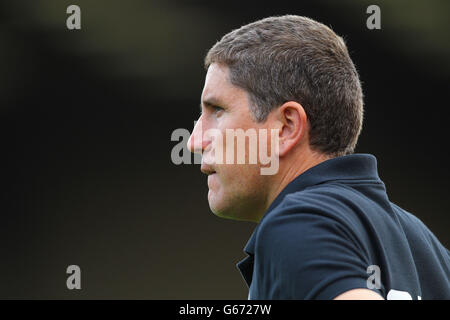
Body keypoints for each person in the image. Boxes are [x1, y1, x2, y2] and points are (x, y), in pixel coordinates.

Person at [187, 15, 450, 300]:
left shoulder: (298, 224)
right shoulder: (429, 250)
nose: (194, 141)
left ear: (286, 127)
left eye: (217, 110)